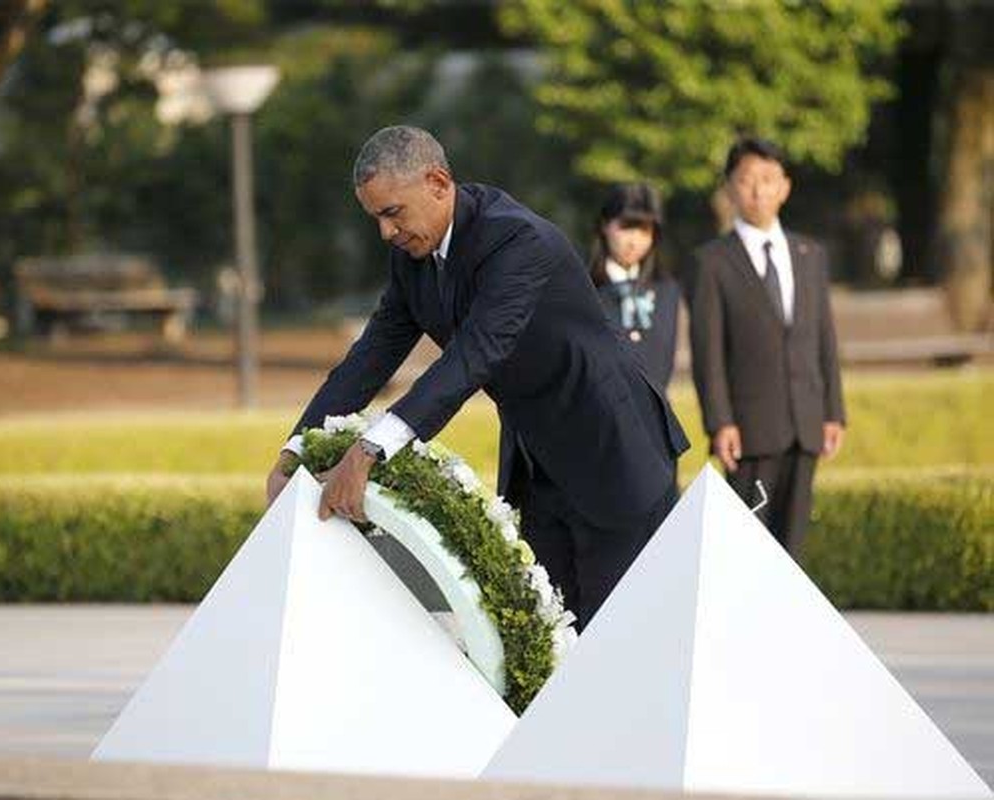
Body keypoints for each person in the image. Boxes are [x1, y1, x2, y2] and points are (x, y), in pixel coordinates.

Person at [266, 126, 689, 630]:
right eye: (376, 218)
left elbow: (475, 354)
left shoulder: (517, 239)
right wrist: (296, 449)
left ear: (439, 183)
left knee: (621, 637)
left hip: (614, 449)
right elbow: (369, 359)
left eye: (392, 213)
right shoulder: (411, 261)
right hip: (537, 462)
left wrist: (369, 451)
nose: (385, 232)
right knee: (553, 636)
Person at [688, 136, 846, 557]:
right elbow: (708, 350)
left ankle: (785, 624)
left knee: (792, 546)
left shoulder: (810, 254)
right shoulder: (712, 262)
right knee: (749, 547)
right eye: (746, 180)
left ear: (785, 187)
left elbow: (823, 337)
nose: (757, 190)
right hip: (750, 430)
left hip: (806, 422)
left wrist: (833, 411)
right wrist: (720, 421)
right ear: (729, 188)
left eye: (767, 179)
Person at [589, 183, 680, 390]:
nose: (634, 241)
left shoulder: (667, 291)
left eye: (644, 230)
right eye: (626, 227)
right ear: (605, 225)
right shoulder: (585, 290)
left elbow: (664, 364)